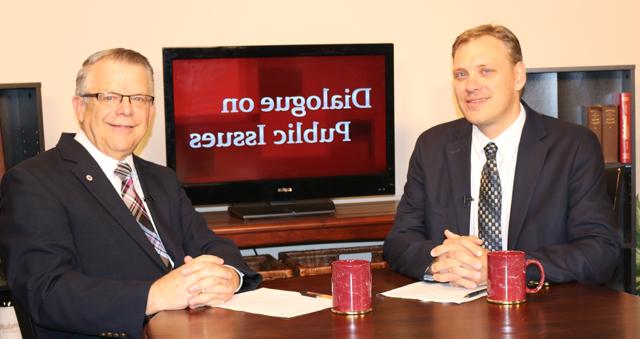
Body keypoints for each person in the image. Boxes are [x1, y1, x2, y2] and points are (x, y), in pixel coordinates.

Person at [0, 48, 261, 338]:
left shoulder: (161, 178)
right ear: (80, 107)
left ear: (150, 111)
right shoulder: (33, 181)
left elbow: (209, 244)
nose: (126, 109)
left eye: (139, 98)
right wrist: (154, 295)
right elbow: (45, 291)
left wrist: (228, 276)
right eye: (109, 97)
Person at [383, 24, 619, 289]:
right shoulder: (432, 147)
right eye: (461, 74)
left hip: (541, 314)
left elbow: (600, 252)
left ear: (518, 76)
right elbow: (399, 241)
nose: (470, 85)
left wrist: (501, 267)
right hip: (454, 314)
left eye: (486, 71)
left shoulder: (573, 146)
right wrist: (443, 258)